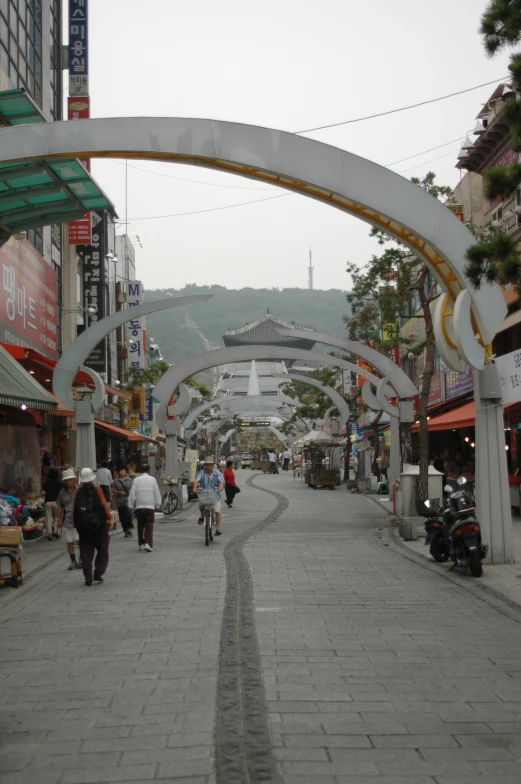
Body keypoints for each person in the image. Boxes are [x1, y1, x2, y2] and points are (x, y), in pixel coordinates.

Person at [74, 467, 113, 586]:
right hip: (99, 526)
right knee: (103, 550)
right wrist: (109, 519)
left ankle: (88, 577)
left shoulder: (78, 493)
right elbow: (104, 504)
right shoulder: (98, 489)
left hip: (84, 528)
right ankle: (98, 572)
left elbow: (75, 510)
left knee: (86, 552)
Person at [128, 463, 161, 553]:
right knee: (149, 526)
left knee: (140, 525)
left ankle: (141, 544)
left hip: (139, 506)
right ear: (149, 470)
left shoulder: (136, 480)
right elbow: (156, 492)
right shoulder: (153, 480)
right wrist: (158, 504)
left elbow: (132, 494)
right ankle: (148, 544)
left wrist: (130, 505)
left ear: (141, 470)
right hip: (150, 506)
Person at [56, 468, 81, 570]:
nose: (68, 482)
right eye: (66, 480)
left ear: (74, 480)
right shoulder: (62, 492)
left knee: (80, 540)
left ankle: (82, 559)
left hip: (79, 520)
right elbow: (60, 506)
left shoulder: (79, 490)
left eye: (70, 480)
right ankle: (73, 561)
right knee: (69, 541)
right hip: (67, 520)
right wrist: (58, 520)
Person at [193, 456, 224, 535]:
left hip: (214, 495)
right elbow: (197, 481)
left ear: (213, 465)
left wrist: (220, 489)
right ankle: (202, 516)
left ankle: (217, 528)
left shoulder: (217, 473)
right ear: (205, 465)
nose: (208, 466)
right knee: (201, 505)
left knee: (217, 511)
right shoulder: (201, 473)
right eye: (206, 465)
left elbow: (221, 482)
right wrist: (195, 488)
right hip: (204, 495)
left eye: (210, 464)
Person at [112, 467, 134, 537]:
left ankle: (129, 529)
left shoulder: (130, 480)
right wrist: (118, 492)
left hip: (128, 500)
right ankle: (126, 531)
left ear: (126, 471)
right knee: (122, 517)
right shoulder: (116, 481)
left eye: (123, 470)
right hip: (120, 501)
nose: (122, 472)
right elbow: (112, 490)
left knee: (128, 515)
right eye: (121, 470)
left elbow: (132, 489)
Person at [41, 467, 61, 540]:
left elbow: (43, 493)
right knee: (57, 517)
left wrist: (46, 493)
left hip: (47, 502)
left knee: (48, 518)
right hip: (56, 502)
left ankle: (50, 534)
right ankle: (55, 531)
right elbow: (61, 493)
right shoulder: (58, 483)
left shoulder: (46, 483)